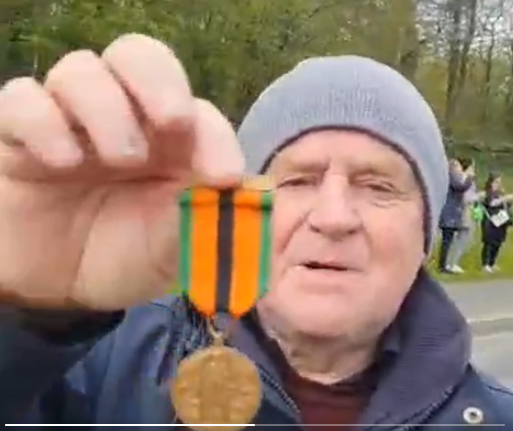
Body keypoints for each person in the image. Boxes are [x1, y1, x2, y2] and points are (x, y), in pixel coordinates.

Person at [0, 34, 511, 429]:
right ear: (239, 213)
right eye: (297, 180)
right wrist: (26, 317)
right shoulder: (94, 372)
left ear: (424, 231)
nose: (333, 217)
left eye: (378, 186)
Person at [438, 158, 475, 273]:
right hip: (449, 214)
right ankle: (443, 265)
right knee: (447, 240)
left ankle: (444, 264)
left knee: (448, 240)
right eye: (458, 166)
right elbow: (460, 187)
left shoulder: (453, 177)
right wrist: (469, 177)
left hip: (453, 214)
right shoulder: (451, 177)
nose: (460, 169)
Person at [446, 158, 482, 273]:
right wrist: (478, 196)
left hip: (469, 210)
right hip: (464, 211)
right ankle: (452, 262)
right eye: (472, 167)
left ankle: (453, 262)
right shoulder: (464, 179)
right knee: (462, 237)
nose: (474, 169)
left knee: (467, 238)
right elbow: (465, 197)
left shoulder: (469, 180)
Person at [480, 172, 513, 273]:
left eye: (499, 182)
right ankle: (485, 264)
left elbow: (507, 205)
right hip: (490, 220)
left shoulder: (501, 192)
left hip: (501, 220)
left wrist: (507, 200)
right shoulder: (488, 193)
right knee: (489, 242)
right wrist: (504, 198)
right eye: (496, 182)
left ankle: (492, 263)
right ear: (491, 182)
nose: (498, 184)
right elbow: (491, 204)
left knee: (497, 243)